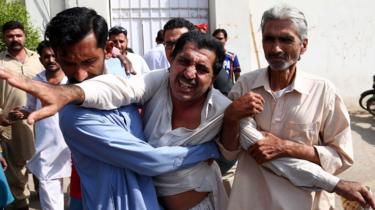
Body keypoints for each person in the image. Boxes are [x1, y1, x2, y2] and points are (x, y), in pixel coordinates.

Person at [0, 13, 373, 210]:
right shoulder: (152, 84)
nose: (189, 74)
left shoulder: (224, 110)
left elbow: (272, 157)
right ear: (170, 61)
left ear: (215, 77)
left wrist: (338, 184)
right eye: (183, 62)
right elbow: (120, 87)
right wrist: (71, 93)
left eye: (202, 68)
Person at [0, 7, 219, 210]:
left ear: (107, 49)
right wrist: (208, 149)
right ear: (56, 56)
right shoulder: (75, 116)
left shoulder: (121, 76)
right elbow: (151, 161)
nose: (80, 75)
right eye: (68, 62)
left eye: (88, 62)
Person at [221, 5, 374, 210]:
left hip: (305, 203)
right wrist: (230, 116)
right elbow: (228, 153)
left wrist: (286, 147)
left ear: (303, 45)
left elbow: (342, 157)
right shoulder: (245, 86)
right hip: (251, 201)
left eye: (285, 40)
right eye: (269, 39)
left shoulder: (323, 91)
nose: (275, 48)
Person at [8, 41, 71, 210]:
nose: (51, 59)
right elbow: (30, 107)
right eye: (46, 56)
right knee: (48, 184)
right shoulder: (36, 81)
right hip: (47, 142)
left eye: (54, 55)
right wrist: (23, 113)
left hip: (73, 140)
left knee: (79, 186)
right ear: (41, 59)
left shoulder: (72, 77)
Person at [0, 20, 43, 210]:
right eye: (10, 36)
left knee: (43, 161)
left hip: (41, 120)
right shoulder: (0, 62)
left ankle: (45, 199)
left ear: (24, 36)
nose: (14, 39)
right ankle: (21, 203)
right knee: (16, 168)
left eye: (18, 35)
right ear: (4, 38)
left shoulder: (39, 58)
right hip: (11, 122)